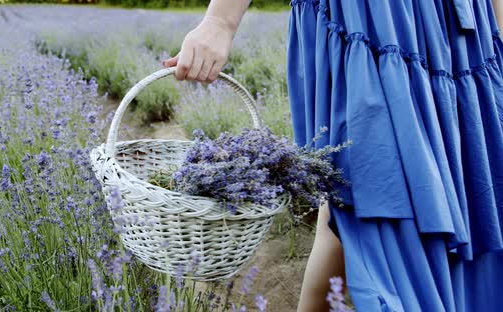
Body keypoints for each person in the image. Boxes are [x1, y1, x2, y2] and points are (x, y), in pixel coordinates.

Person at [164, 0, 503, 311]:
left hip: (461, 35)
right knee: (382, 203)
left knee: (353, 208)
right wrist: (221, 20)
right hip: (373, 20)